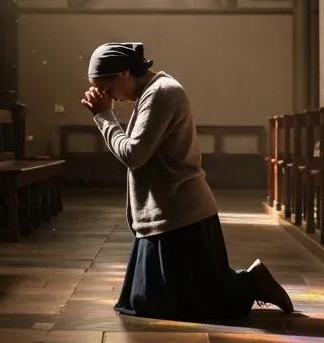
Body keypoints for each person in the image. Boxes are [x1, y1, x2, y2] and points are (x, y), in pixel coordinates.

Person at [81, 42, 293, 320]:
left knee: (202, 304)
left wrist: (103, 116)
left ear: (123, 73)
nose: (109, 98)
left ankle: (255, 282)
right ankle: (248, 281)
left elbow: (134, 155)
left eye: (107, 89)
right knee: (145, 301)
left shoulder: (162, 93)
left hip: (182, 215)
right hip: (164, 214)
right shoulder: (149, 92)